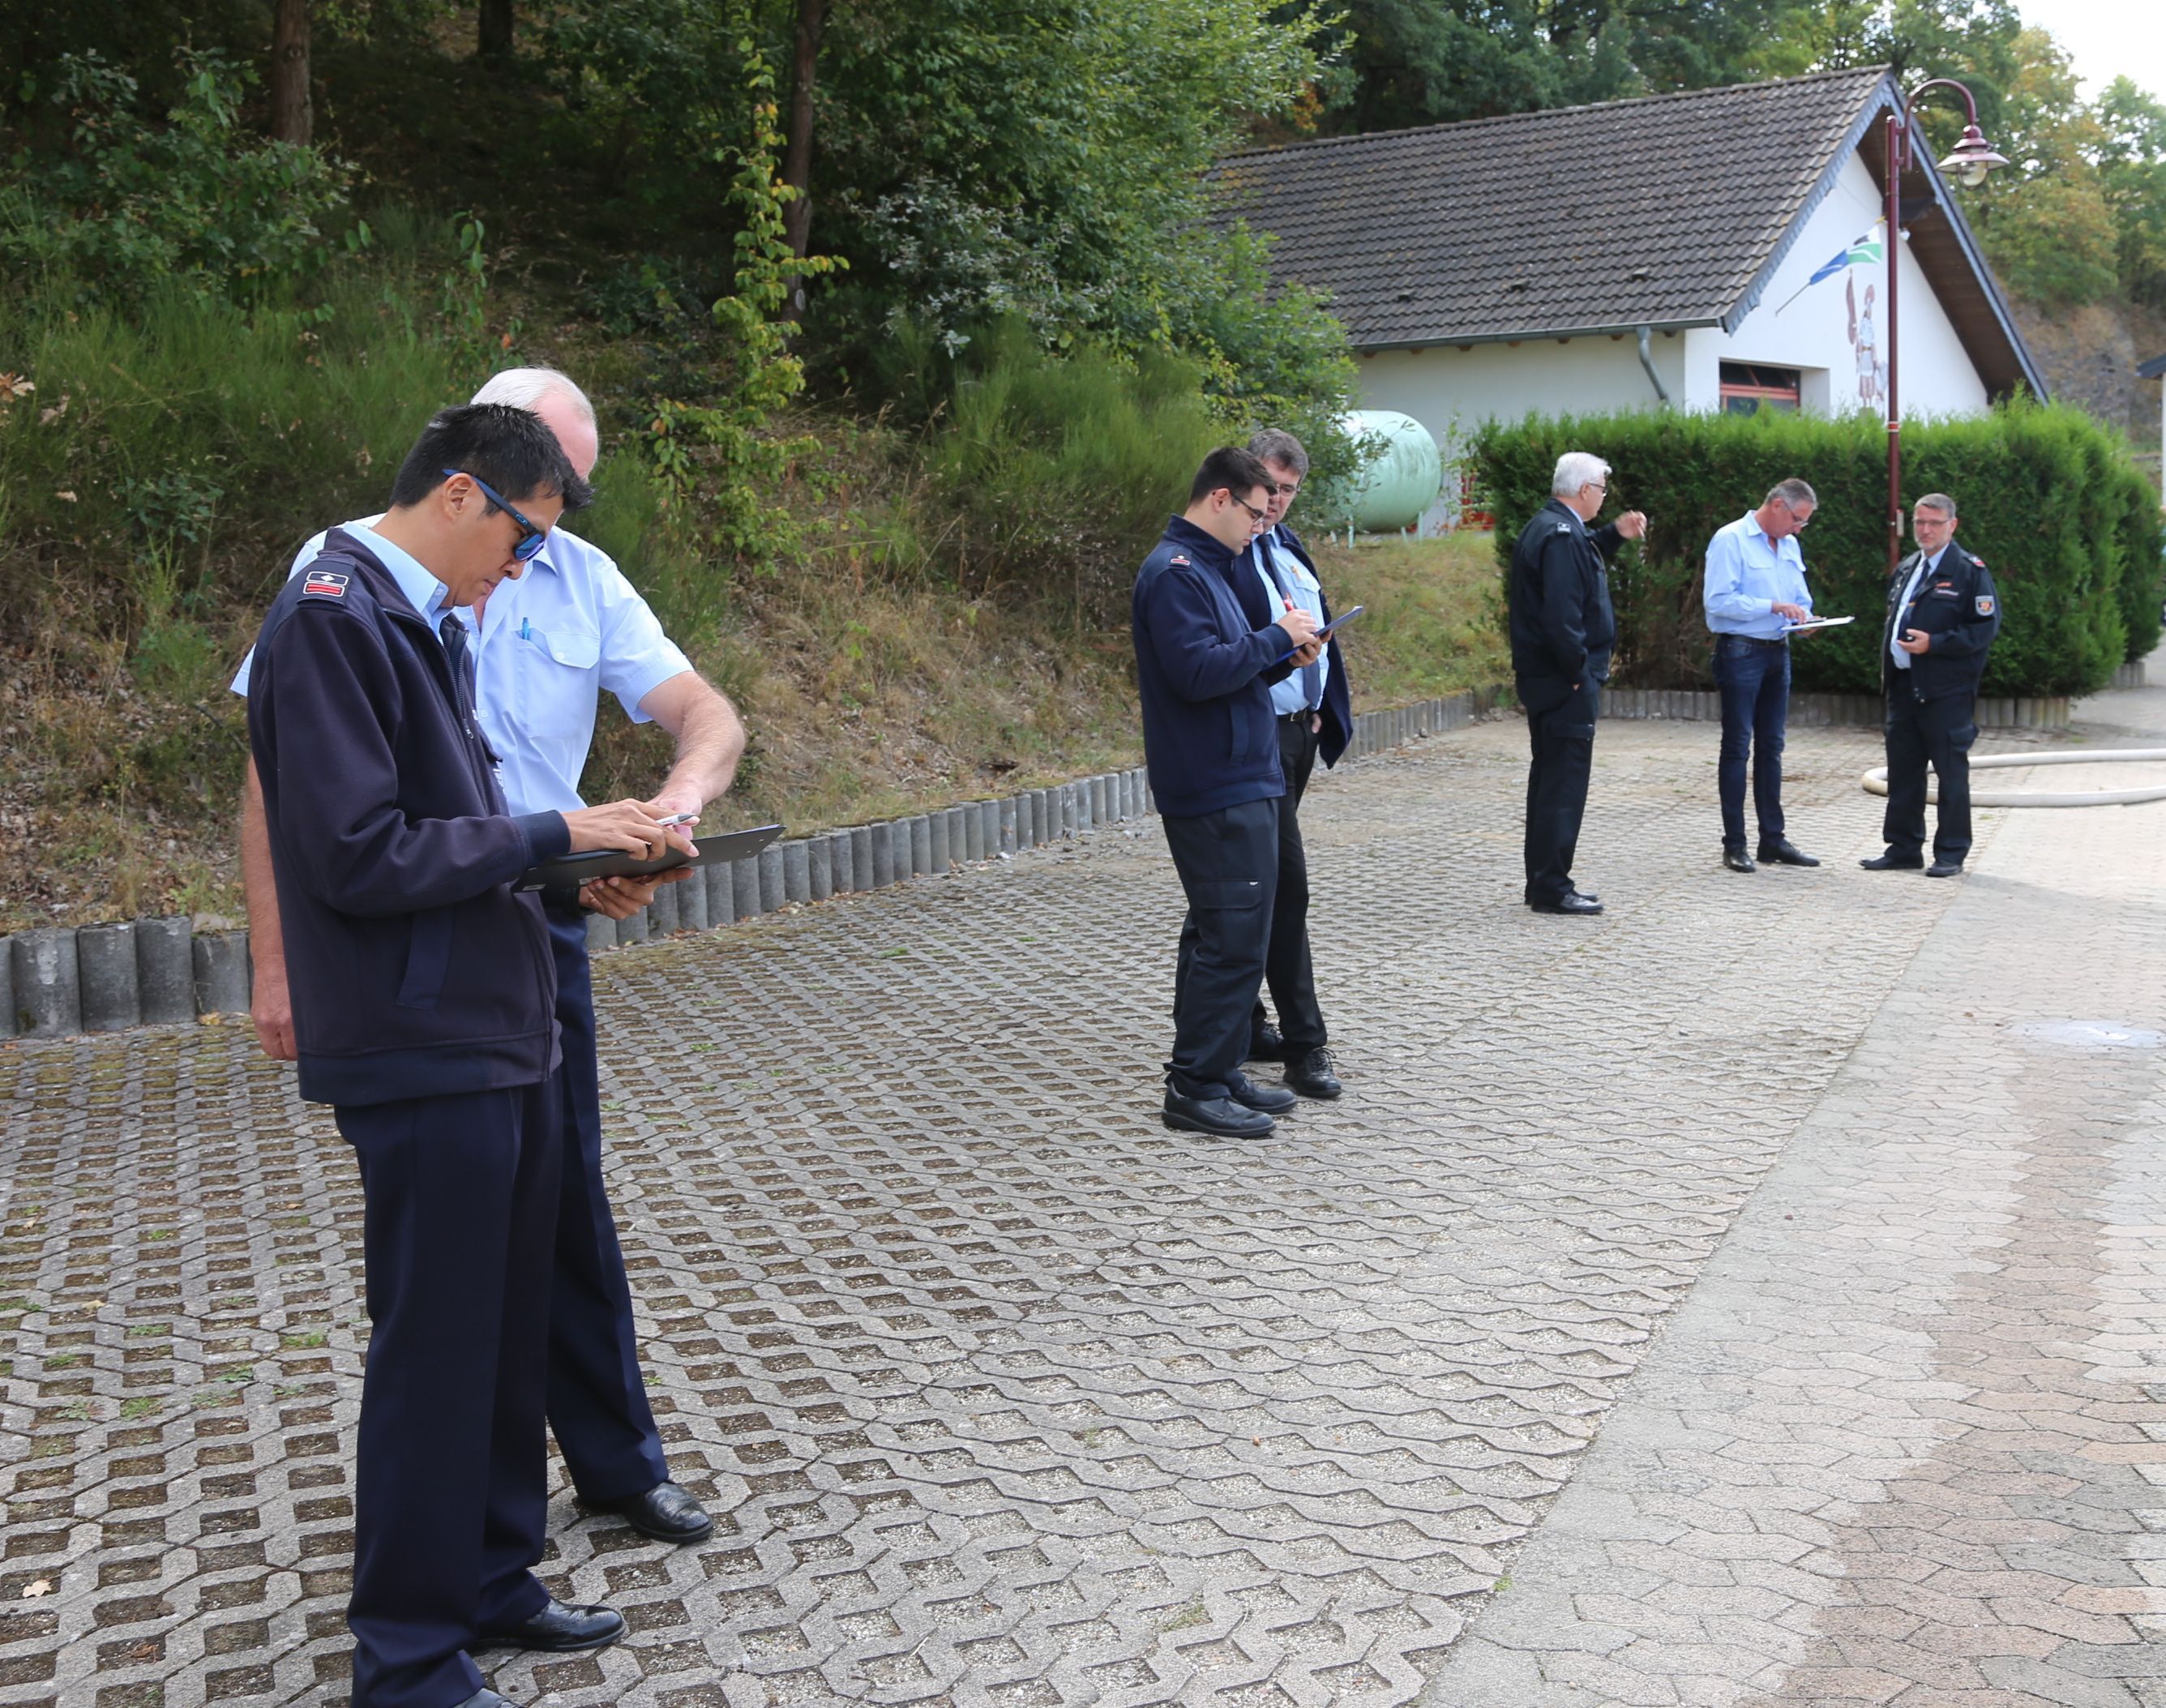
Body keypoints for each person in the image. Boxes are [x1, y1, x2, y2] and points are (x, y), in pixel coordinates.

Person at [235, 370, 744, 1553]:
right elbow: (286, 788)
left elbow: (707, 714)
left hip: (532, 917)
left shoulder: (577, 572)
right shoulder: (349, 583)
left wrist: (660, 817)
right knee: (455, 1270)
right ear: (471, 479)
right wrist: (276, 961)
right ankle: (449, 1568)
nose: (539, 542)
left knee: (559, 1206)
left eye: (569, 494)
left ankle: (603, 1473)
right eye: (537, 501)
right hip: (417, 948)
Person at [1134, 447, 1322, 1139]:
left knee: (1232, 929)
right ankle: (1194, 1087)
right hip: (1213, 780)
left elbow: (1229, 670)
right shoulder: (1175, 574)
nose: (1260, 524)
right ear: (1219, 498)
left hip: (1241, 770)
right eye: (1254, 510)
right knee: (1230, 937)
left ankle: (1217, 1068)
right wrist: (1272, 638)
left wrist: (1280, 656)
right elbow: (1194, 674)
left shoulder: (1210, 569)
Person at [1239, 429, 1354, 1101]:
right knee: (1283, 885)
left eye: (1288, 490)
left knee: (1247, 882)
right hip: (1254, 740)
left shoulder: (1287, 546)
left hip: (1296, 734)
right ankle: (1305, 1044)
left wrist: (1318, 712)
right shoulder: (1227, 555)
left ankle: (1240, 1021)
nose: (1277, 500)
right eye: (1269, 486)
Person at [1507, 452, 1649, 915]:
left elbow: (1577, 564)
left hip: (1549, 679)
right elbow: (1562, 614)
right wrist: (1578, 674)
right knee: (1563, 786)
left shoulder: (1550, 527)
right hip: (1563, 682)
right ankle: (1552, 886)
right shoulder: (1561, 535)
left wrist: (1613, 535)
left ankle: (1543, 882)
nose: (1604, 498)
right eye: (1602, 490)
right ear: (1586, 490)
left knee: (1550, 780)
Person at [1863, 493, 2000, 878]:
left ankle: (1951, 853)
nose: (1925, 530)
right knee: (1904, 771)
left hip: (1946, 691)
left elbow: (1983, 630)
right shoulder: (1908, 567)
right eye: (1919, 522)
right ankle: (1903, 848)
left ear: (1952, 525)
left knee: (1950, 774)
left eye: (1934, 523)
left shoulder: (1969, 571)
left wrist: (1934, 644)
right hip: (1904, 686)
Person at [1702, 478, 1822, 873]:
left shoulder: (1788, 545)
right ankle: (1734, 844)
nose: (1798, 529)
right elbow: (1718, 602)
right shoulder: (1731, 539)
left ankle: (1773, 840)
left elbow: (1800, 598)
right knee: (1738, 746)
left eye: (1804, 522)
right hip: (1741, 652)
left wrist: (1806, 620)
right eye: (1797, 519)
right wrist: (1771, 606)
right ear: (1776, 505)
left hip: (1778, 651)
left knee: (1772, 747)